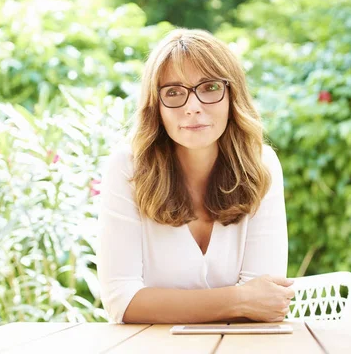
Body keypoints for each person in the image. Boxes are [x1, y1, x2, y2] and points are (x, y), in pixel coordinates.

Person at [96, 28, 294, 324]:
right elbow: (122, 302)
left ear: (232, 94)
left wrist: (162, 304)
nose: (192, 108)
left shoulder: (261, 164)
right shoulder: (127, 169)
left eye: (210, 87)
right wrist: (239, 299)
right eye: (173, 92)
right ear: (157, 106)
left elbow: (265, 302)